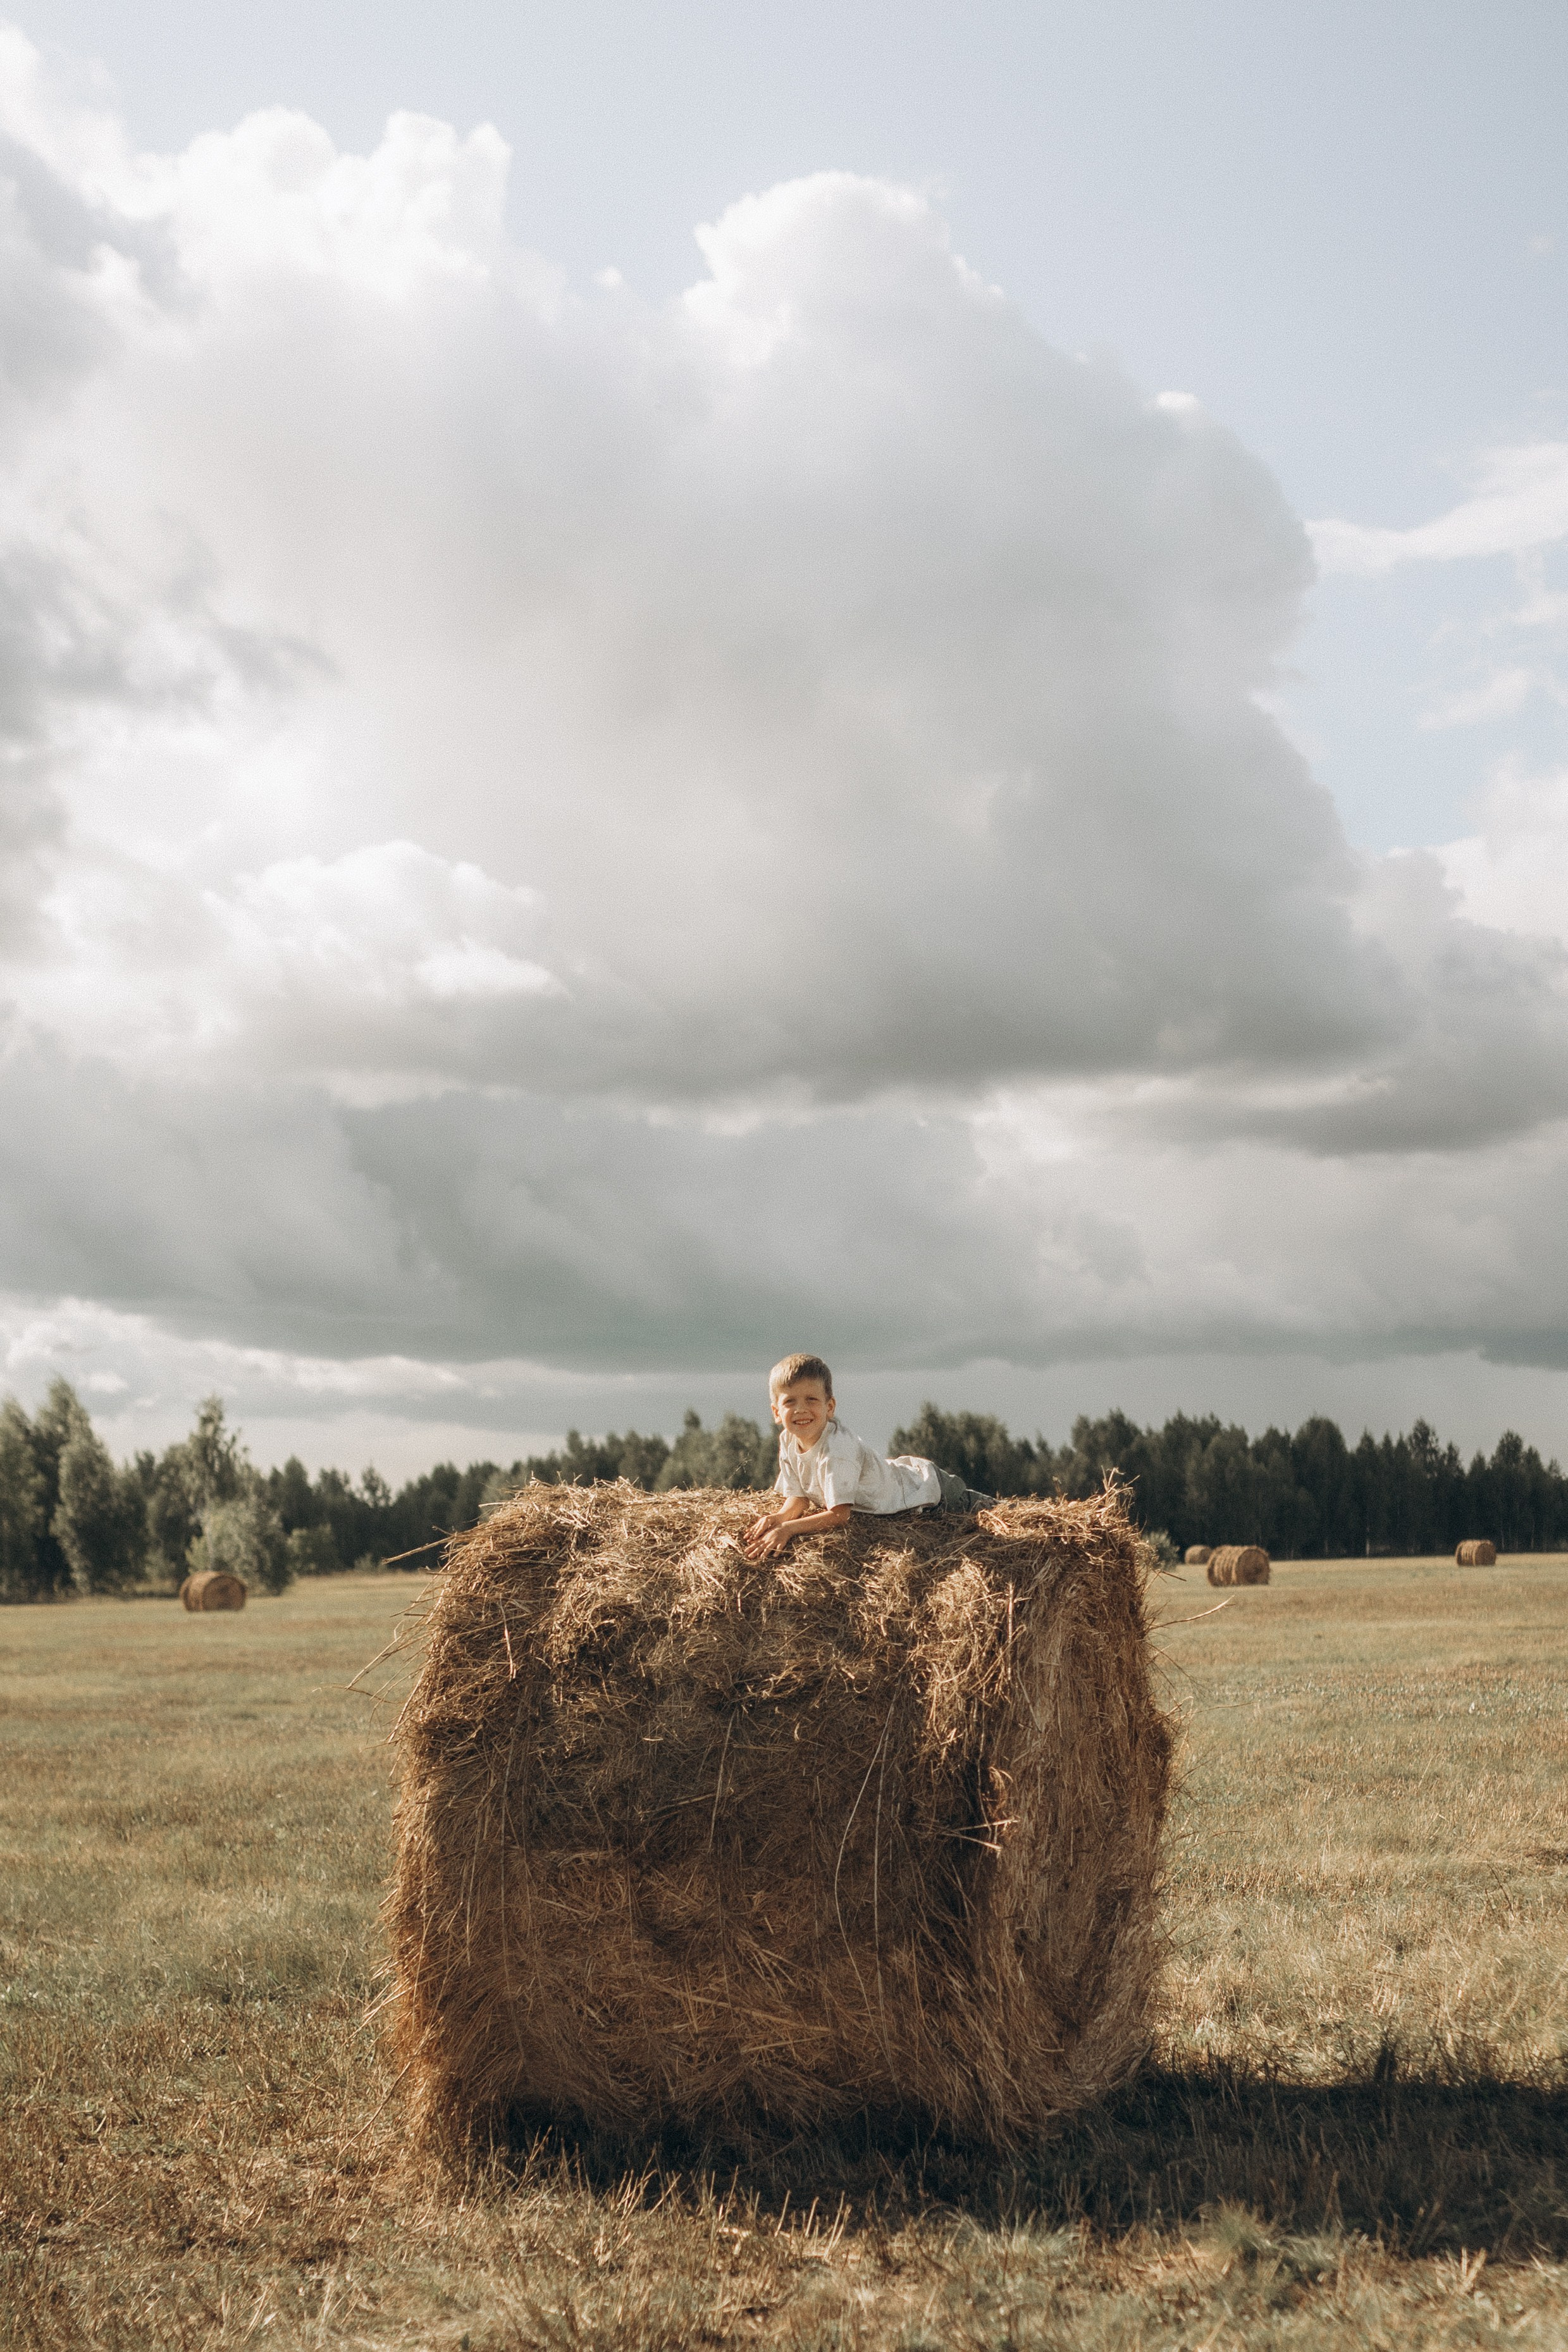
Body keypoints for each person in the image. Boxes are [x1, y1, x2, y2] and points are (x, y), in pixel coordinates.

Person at [742, 1352, 994, 1561]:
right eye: (790, 1402)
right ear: (776, 1412)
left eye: (811, 1399)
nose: (801, 1409)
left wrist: (788, 1529)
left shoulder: (837, 1450)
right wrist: (777, 1519)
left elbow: (840, 1515)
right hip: (897, 1481)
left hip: (928, 1491)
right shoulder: (788, 1441)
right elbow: (799, 1499)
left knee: (999, 1512)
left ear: (830, 1407)